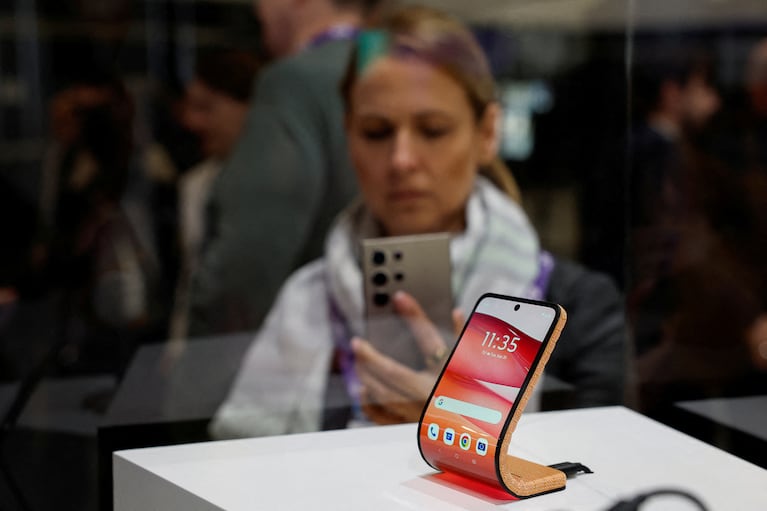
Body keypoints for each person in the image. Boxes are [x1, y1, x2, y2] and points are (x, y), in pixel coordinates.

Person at [210, 6, 627, 439]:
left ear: (486, 134)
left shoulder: (577, 309)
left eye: (432, 130)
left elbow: (597, 484)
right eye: (376, 132)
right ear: (348, 136)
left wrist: (458, 432)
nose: (401, 160)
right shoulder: (307, 301)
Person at [187, 0, 384, 337]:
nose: (257, 8)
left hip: (310, 361)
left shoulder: (293, 82)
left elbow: (249, 256)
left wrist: (204, 368)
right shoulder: (406, 69)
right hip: (398, 351)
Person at [168, 50, 261, 343]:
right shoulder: (194, 185)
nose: (191, 122)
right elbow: (191, 284)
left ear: (249, 106)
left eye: (206, 108)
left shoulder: (278, 186)